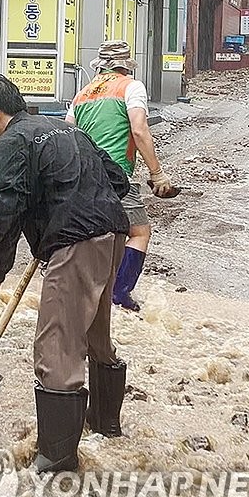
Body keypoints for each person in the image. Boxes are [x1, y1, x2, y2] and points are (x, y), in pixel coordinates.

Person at [0, 75, 130, 473]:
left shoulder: (11, 142)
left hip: (74, 242)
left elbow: (9, 207)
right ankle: (104, 424)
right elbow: (119, 180)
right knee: (94, 332)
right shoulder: (67, 129)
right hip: (112, 234)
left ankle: (57, 458)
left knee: (55, 345)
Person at [67, 41, 175, 313]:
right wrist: (157, 174)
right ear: (125, 65)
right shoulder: (131, 86)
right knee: (138, 232)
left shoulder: (82, 94)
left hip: (82, 177)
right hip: (116, 177)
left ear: (100, 66)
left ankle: (86, 292)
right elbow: (139, 131)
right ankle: (119, 293)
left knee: (95, 235)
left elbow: (69, 134)